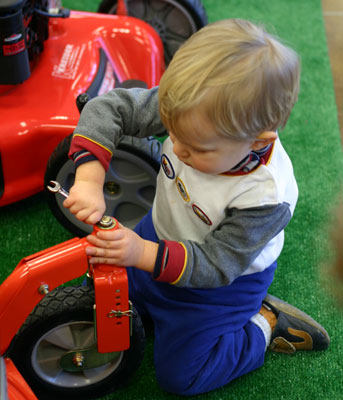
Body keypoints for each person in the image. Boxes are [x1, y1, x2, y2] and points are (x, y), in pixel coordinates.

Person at [64, 19, 329, 395]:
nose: (178, 148)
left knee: (181, 378)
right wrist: (89, 181)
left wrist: (141, 253)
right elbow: (111, 108)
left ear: (258, 140)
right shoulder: (194, 112)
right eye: (172, 131)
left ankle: (263, 326)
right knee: (101, 296)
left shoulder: (266, 196)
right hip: (159, 234)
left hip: (220, 287)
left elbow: (217, 264)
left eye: (197, 148)